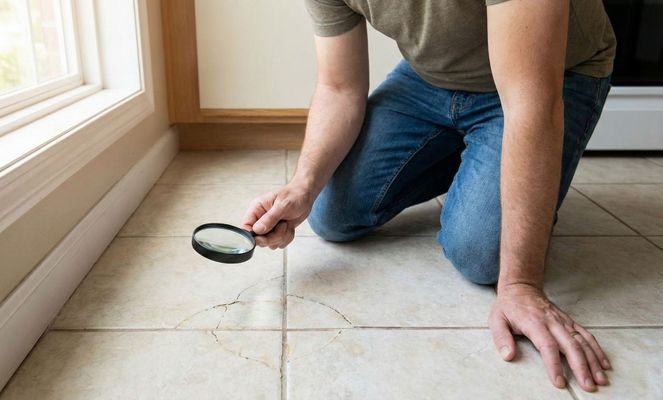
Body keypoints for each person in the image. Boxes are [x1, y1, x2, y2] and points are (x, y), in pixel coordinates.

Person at [241, 0, 615, 392]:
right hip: (429, 81)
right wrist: (301, 185)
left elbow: (531, 101)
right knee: (329, 213)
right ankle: (476, 156)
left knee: (481, 255)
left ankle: (490, 160)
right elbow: (339, 86)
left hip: (549, 76)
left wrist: (521, 284)